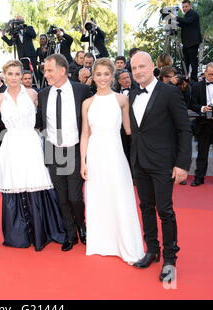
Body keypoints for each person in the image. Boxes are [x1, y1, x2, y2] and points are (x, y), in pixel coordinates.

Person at [0, 60, 66, 250]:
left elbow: (49, 114)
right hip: (11, 145)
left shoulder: (32, 94)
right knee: (16, 184)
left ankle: (42, 231)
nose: (13, 78)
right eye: (10, 74)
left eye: (17, 74)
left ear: (22, 76)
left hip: (31, 142)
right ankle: (19, 234)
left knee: (35, 183)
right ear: (4, 76)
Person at [129, 51, 192, 282]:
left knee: (165, 210)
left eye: (142, 66)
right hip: (140, 162)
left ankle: (170, 259)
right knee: (145, 207)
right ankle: (152, 250)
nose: (138, 71)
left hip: (163, 163)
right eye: (134, 68)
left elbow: (184, 129)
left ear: (153, 66)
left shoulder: (170, 92)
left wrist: (182, 164)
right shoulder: (133, 94)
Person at [80, 58, 145, 265]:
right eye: (98, 74)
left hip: (115, 154)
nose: (102, 78)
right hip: (95, 154)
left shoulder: (121, 100)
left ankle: (124, 243)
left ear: (112, 75)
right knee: (98, 197)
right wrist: (83, 162)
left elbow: (129, 130)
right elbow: (85, 134)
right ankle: (101, 243)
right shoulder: (87, 103)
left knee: (119, 195)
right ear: (93, 76)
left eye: (106, 74)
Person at [36, 54, 92, 251]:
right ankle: (70, 234)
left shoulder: (82, 91)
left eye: (49, 70)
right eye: (45, 70)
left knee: (75, 197)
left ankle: (82, 226)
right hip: (53, 150)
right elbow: (40, 124)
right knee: (61, 196)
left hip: (75, 150)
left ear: (62, 70)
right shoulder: (43, 94)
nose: (46, 73)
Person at [173, 0, 202, 81]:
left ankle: (194, 79)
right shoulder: (186, 15)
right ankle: (184, 77)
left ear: (190, 6)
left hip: (192, 42)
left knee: (193, 62)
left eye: (186, 6)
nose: (184, 8)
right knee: (185, 61)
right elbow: (183, 24)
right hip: (186, 43)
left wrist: (174, 17)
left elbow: (187, 21)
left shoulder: (193, 14)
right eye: (183, 7)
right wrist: (174, 22)